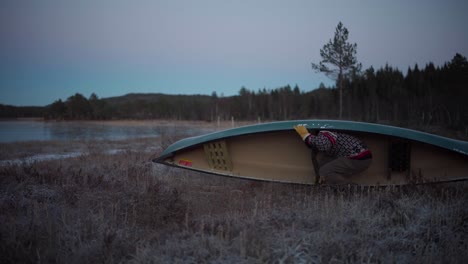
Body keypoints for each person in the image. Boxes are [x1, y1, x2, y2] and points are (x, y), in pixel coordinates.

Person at [293, 125, 372, 184]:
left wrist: (306, 136)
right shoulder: (332, 134)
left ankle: (350, 189)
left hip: (358, 158)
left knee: (324, 171)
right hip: (360, 157)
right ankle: (329, 185)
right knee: (323, 164)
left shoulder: (325, 133)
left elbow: (323, 145)